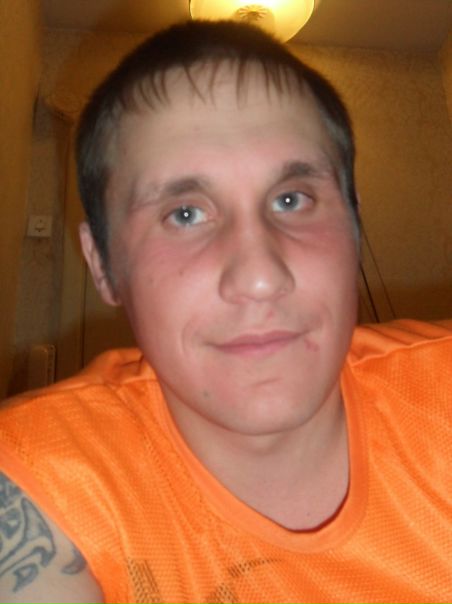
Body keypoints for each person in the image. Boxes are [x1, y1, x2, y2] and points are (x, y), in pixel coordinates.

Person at [0, 19, 450, 604]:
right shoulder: (40, 478)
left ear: (355, 225)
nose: (260, 277)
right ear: (103, 265)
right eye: (185, 214)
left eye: (291, 199)